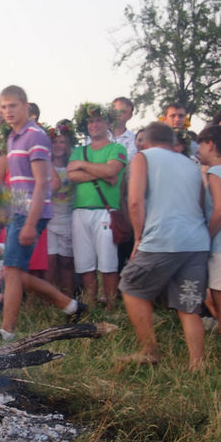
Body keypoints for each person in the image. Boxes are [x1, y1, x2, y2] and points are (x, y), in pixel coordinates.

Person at [119, 122, 209, 371]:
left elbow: (135, 201)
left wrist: (138, 238)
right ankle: (197, 363)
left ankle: (149, 350)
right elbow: (201, 203)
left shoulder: (142, 158)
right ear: (172, 143)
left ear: (145, 141)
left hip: (162, 238)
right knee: (188, 303)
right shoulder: (191, 164)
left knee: (131, 286)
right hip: (196, 241)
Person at [0, 85, 84, 340]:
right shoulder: (13, 137)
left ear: (26, 106)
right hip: (17, 210)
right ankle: (71, 306)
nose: (8, 111)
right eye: (3, 107)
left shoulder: (35, 135)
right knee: (15, 271)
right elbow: (16, 180)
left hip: (31, 211)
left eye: (13, 106)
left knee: (12, 271)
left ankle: (7, 333)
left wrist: (29, 223)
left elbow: (43, 182)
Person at [67, 103, 128, 309]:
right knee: (85, 263)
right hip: (80, 210)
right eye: (90, 121)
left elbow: (112, 171)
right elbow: (71, 175)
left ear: (108, 123)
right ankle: (90, 305)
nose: (94, 124)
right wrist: (102, 172)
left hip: (105, 209)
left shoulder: (117, 148)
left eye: (99, 120)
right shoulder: (79, 150)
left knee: (108, 263)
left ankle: (111, 306)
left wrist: (84, 166)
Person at [197, 125, 221, 332]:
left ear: (211, 144)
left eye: (201, 145)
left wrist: (207, 237)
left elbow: (219, 211)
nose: (198, 150)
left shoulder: (215, 172)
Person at [46, 121, 75, 297]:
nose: (58, 146)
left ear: (68, 144)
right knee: (50, 262)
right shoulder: (45, 165)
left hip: (68, 218)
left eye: (62, 142)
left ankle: (69, 298)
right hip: (50, 218)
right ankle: (50, 299)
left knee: (66, 262)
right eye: (55, 142)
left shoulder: (73, 165)